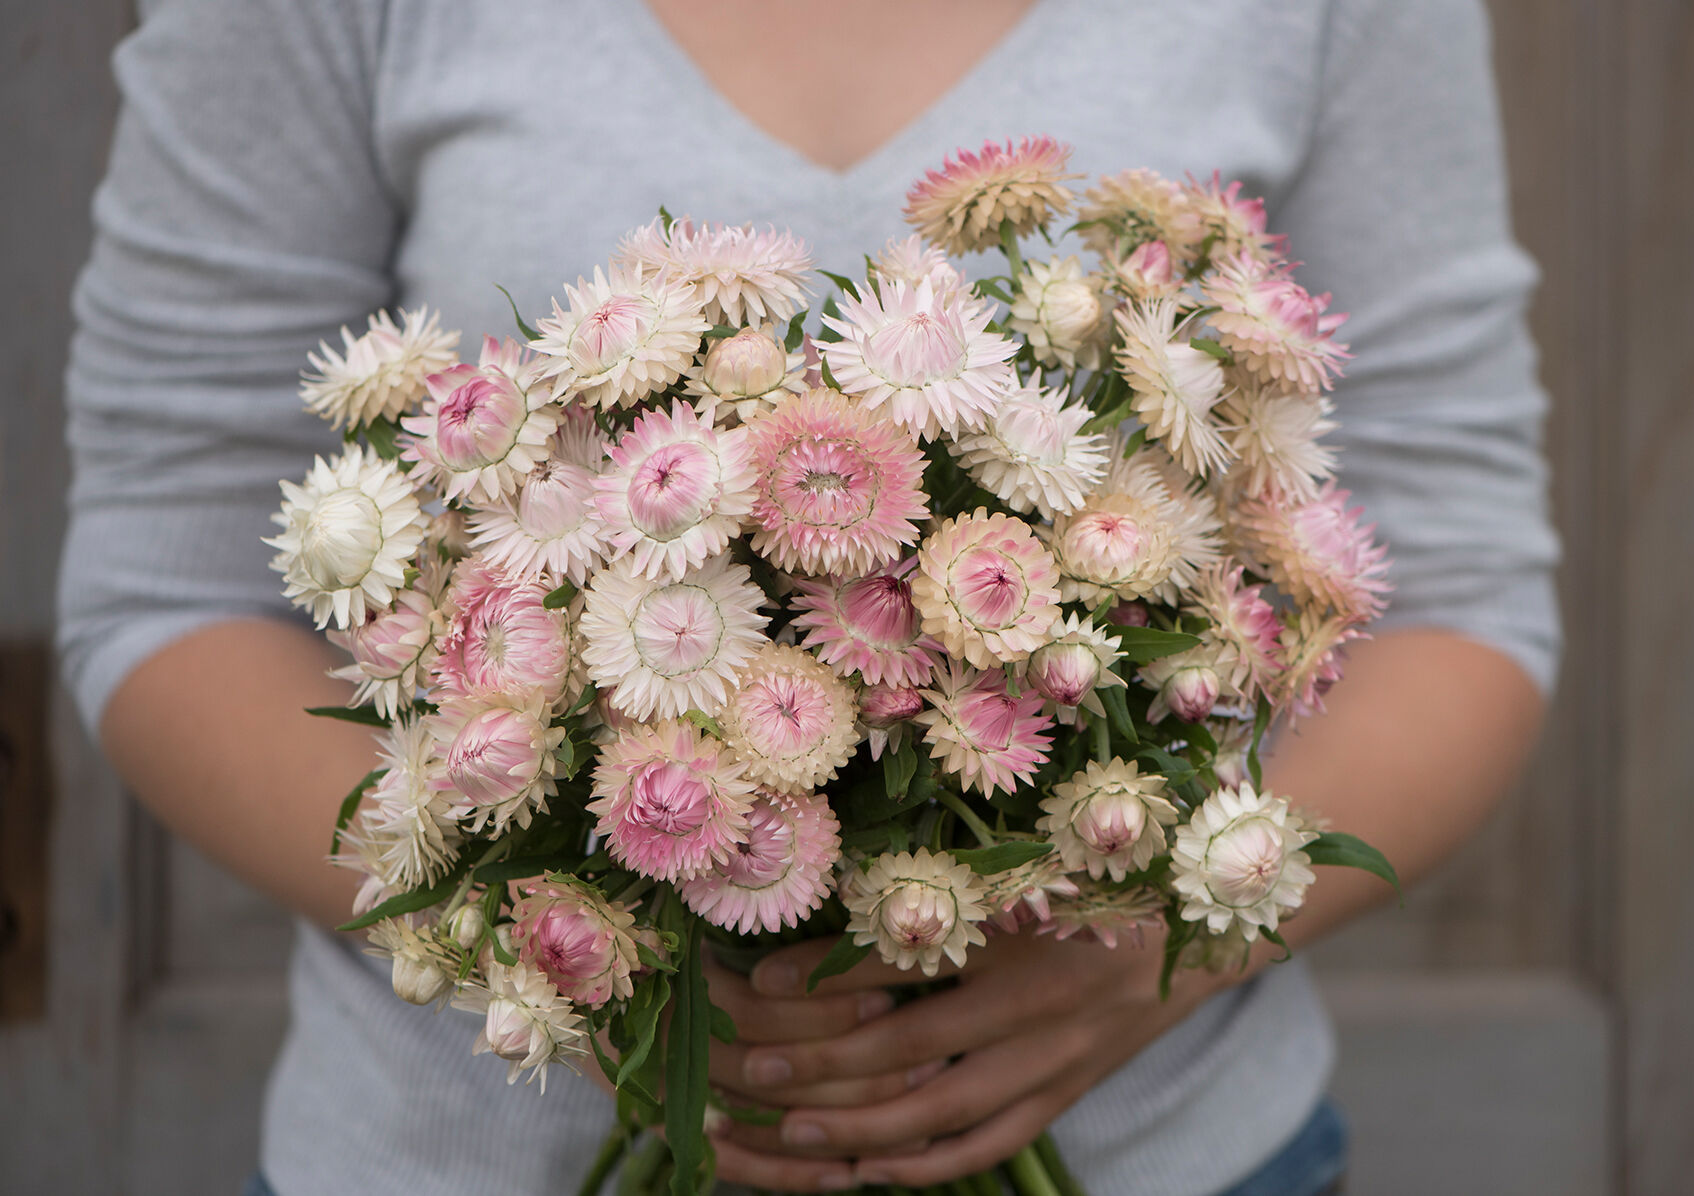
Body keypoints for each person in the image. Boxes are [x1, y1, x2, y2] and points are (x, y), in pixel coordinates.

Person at [58, 0, 1558, 1192]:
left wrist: (1160, 949)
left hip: (1183, 1149)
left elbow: (1463, 591)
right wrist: (574, 958)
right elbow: (160, 581)